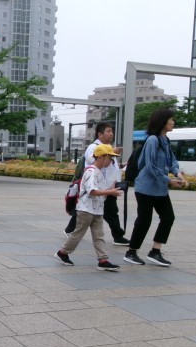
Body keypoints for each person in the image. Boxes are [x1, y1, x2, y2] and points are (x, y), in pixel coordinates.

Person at [124, 108, 188, 267]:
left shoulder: (165, 140)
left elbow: (172, 162)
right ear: (163, 121)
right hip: (146, 188)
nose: (173, 122)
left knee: (168, 218)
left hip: (160, 189)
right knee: (144, 220)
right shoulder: (152, 140)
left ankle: (155, 251)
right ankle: (131, 252)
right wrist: (169, 180)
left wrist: (179, 175)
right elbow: (150, 166)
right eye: (171, 119)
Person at [55, 144, 123, 271]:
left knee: (99, 235)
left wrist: (110, 189)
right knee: (78, 234)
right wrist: (110, 192)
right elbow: (92, 191)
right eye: (110, 158)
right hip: (86, 210)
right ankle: (62, 252)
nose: (111, 161)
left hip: (97, 210)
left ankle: (103, 260)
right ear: (101, 157)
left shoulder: (99, 172)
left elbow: (99, 191)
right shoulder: (91, 172)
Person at [64, 122, 129, 246]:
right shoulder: (93, 147)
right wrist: (111, 152)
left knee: (106, 212)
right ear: (100, 134)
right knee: (100, 212)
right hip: (98, 188)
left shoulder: (107, 147)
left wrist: (122, 165)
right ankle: (117, 236)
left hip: (108, 187)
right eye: (108, 131)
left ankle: (116, 236)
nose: (111, 134)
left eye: (112, 131)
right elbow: (93, 160)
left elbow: (110, 167)